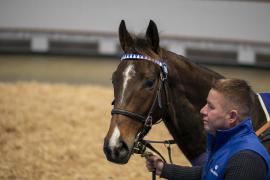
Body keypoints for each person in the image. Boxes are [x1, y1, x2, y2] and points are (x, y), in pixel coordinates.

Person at [146, 78, 270, 180]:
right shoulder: (229, 142)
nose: (202, 110)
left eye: (211, 107)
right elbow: (208, 173)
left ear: (232, 117)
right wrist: (163, 168)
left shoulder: (245, 162)